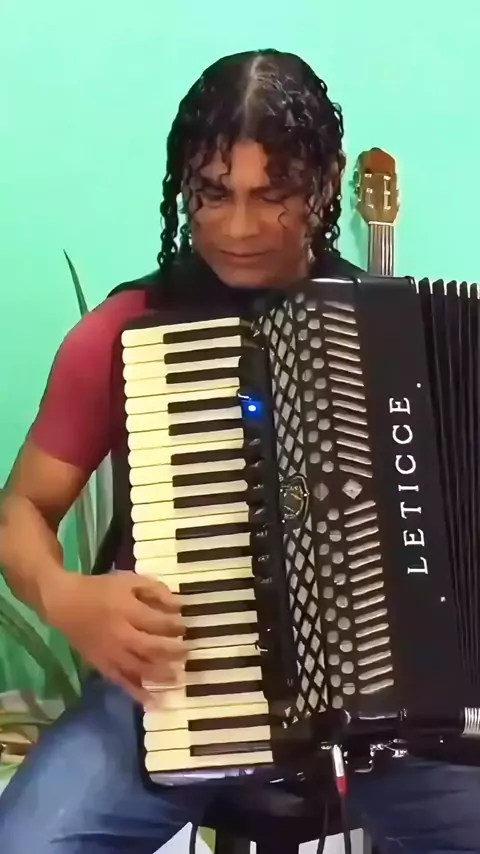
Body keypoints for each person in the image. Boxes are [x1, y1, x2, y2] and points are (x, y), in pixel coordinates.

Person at [0, 48, 479, 854]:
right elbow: (23, 508)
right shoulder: (122, 332)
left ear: (327, 182)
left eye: (272, 193)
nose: (239, 227)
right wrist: (66, 596)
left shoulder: (408, 345)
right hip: (169, 686)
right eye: (214, 194)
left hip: (393, 723)